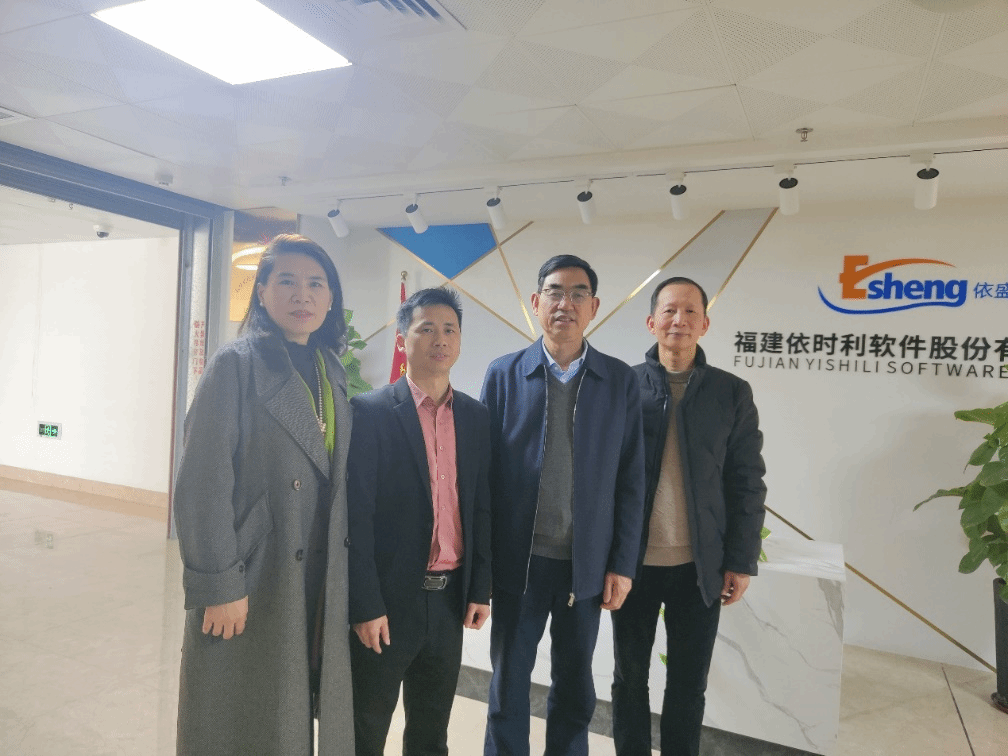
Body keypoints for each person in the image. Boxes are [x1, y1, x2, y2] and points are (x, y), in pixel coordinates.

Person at [173, 234, 354, 755]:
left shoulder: (331, 369)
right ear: (262, 292)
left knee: (292, 708)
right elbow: (202, 483)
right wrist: (219, 584)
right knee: (242, 714)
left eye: (316, 283)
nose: (303, 295)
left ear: (331, 297)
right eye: (287, 281)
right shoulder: (235, 365)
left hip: (316, 568)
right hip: (254, 570)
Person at [480, 254, 646, 756]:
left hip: (585, 566)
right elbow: (484, 479)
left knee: (575, 686)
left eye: (578, 294)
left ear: (594, 307)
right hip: (519, 564)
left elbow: (631, 479)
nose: (565, 304)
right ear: (536, 302)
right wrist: (483, 565)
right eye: (554, 292)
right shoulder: (504, 374)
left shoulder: (619, 380)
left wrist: (621, 564)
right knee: (508, 683)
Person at [610, 276, 767, 756]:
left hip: (700, 567)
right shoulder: (623, 387)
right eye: (669, 310)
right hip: (632, 565)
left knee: (688, 683)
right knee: (629, 677)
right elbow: (602, 479)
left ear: (705, 324)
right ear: (651, 322)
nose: (679, 320)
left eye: (690, 312)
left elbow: (746, 481)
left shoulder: (731, 392)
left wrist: (740, 560)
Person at [347, 287, 492, 756]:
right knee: (365, 729)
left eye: (450, 329)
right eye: (426, 328)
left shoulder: (475, 417)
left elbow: (480, 507)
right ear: (401, 339)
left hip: (448, 602)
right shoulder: (369, 412)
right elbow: (356, 517)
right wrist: (365, 604)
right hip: (388, 602)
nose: (440, 339)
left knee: (431, 735)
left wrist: (479, 589)